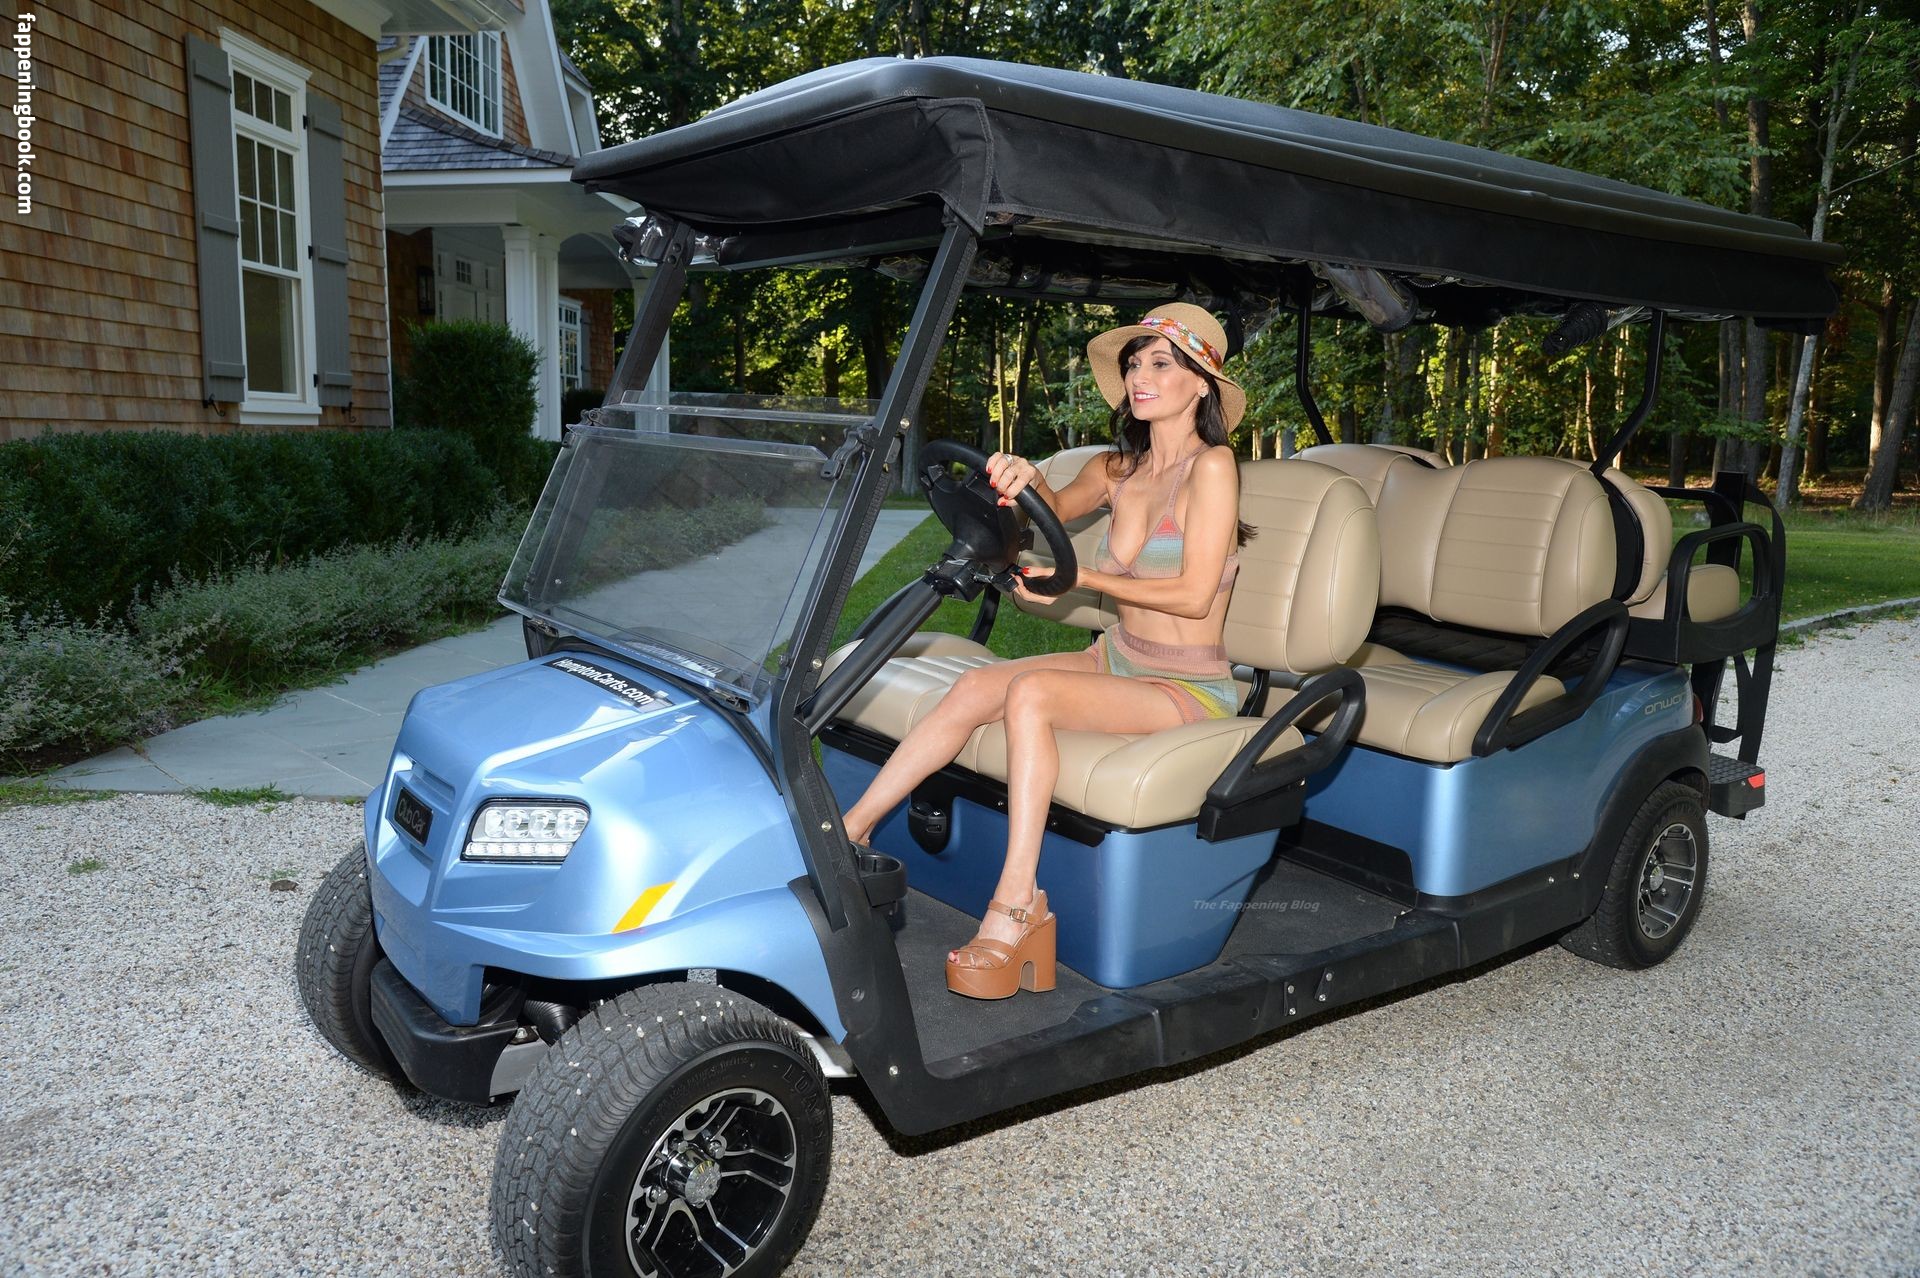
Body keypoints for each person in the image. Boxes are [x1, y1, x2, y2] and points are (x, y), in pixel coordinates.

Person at [841, 302, 1252, 999]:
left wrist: (1082, 577)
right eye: (1134, 363)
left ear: (1201, 384)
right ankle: (849, 834)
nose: (1140, 376)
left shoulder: (1212, 467)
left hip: (1186, 688)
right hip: (1118, 658)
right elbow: (1052, 510)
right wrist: (1022, 475)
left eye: (1161, 363)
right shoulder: (1117, 468)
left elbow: (1191, 596)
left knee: (1028, 694)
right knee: (973, 688)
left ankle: (1016, 903)